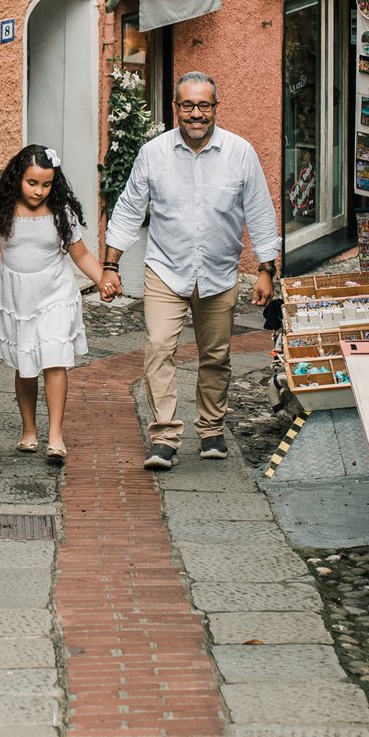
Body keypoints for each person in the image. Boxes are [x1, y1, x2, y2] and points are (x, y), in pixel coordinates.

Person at [98, 72, 281, 470]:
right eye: (187, 105)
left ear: (216, 107)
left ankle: (212, 428)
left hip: (218, 271)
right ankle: (164, 436)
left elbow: (261, 213)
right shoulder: (154, 153)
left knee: (215, 355)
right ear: (175, 108)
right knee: (159, 348)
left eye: (204, 105)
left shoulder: (240, 153)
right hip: (166, 269)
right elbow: (128, 210)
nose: (196, 114)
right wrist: (110, 265)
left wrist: (266, 270)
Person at [0, 144, 111, 465]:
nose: (39, 191)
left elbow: (81, 255)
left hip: (55, 292)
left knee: (55, 359)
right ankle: (29, 431)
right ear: (17, 178)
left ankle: (56, 436)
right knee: (26, 363)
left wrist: (103, 279)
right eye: (32, 183)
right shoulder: (1, 211)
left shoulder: (61, 212)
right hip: (18, 296)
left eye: (46, 184)